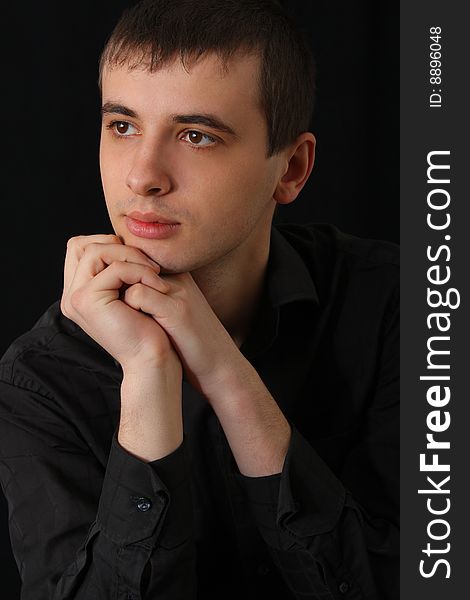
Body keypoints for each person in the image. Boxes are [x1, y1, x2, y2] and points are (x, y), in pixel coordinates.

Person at [0, 0, 399, 598]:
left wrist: (223, 370)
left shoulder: (401, 305)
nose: (143, 176)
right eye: (123, 126)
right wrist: (148, 371)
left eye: (196, 135)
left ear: (291, 168)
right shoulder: (41, 378)